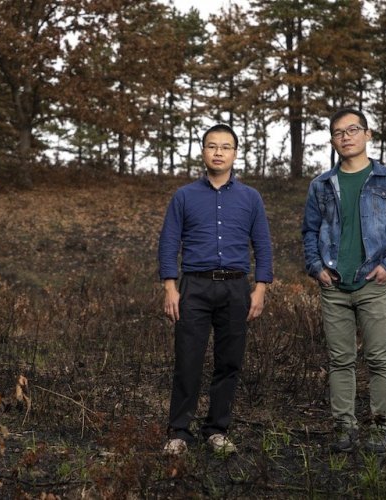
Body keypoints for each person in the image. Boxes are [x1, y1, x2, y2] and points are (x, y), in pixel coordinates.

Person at [302, 108, 386, 454]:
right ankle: (344, 428)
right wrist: (315, 266)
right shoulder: (320, 185)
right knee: (340, 360)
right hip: (334, 285)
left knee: (380, 358)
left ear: (367, 134)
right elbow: (308, 230)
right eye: (338, 132)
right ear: (333, 141)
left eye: (353, 129)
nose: (346, 136)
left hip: (374, 284)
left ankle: (382, 428)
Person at [158, 123, 273, 456]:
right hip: (193, 286)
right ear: (203, 151)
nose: (219, 152)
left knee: (229, 362)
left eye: (226, 146)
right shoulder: (184, 196)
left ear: (235, 153)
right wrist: (170, 286)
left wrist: (260, 288)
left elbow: (263, 244)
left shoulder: (251, 198)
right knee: (188, 360)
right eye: (212, 146)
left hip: (237, 288)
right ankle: (179, 431)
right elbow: (169, 242)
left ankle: (217, 429)